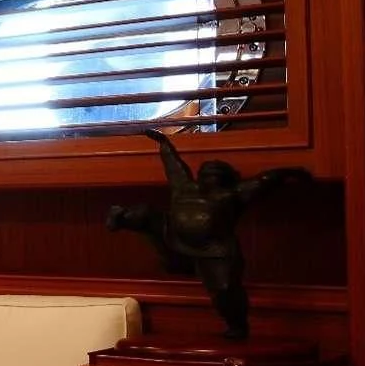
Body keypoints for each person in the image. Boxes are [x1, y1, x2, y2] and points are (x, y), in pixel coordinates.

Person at [107, 130, 310, 338]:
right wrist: (163, 142)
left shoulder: (233, 194)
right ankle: (121, 217)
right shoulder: (185, 186)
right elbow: (173, 165)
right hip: (175, 239)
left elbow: (265, 181)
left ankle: (237, 326)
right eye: (207, 170)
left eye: (215, 171)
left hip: (215, 252)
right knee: (145, 214)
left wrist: (292, 172)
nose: (211, 171)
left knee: (225, 289)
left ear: (226, 178)